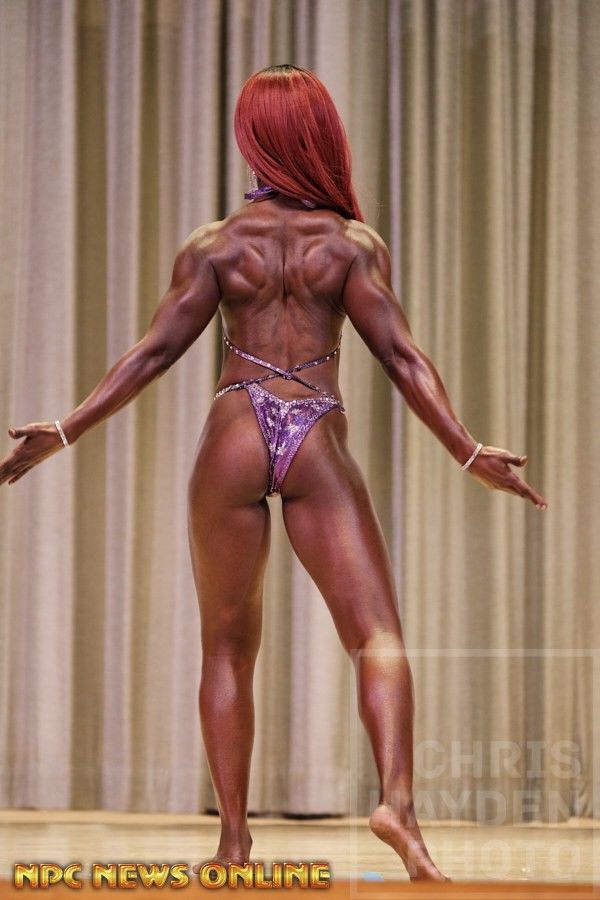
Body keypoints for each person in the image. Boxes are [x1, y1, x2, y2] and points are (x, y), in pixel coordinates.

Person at [0, 64, 547, 882]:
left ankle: (233, 842)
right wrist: (466, 450)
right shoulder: (349, 245)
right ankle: (397, 807)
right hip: (313, 427)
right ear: (321, 138)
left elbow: (152, 354)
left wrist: (66, 429)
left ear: (256, 140)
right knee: (376, 635)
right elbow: (403, 358)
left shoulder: (217, 245)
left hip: (232, 432)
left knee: (226, 647)